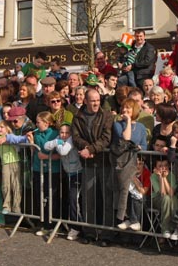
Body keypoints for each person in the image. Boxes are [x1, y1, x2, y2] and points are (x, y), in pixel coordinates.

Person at [72, 88, 114, 246]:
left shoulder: (107, 115)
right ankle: (89, 232)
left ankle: (107, 234)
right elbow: (75, 137)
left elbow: (106, 137)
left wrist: (91, 149)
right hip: (88, 163)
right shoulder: (78, 116)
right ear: (86, 101)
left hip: (104, 162)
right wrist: (85, 148)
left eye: (97, 100)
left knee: (106, 199)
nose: (96, 103)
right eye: (92, 100)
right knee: (88, 199)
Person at [44, 123, 83, 241]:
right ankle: (71, 225)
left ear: (70, 133)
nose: (64, 135)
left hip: (77, 172)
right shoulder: (59, 139)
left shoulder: (71, 140)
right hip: (67, 173)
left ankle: (76, 227)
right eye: (62, 132)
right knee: (69, 199)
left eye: (66, 133)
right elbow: (46, 146)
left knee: (73, 199)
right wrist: (57, 142)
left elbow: (63, 151)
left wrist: (57, 144)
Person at [113, 99, 147, 230]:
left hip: (136, 164)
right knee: (125, 190)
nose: (125, 111)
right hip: (123, 163)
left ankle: (134, 219)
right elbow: (126, 139)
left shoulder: (141, 127)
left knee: (135, 192)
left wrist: (139, 147)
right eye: (124, 108)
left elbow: (144, 145)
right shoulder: (117, 124)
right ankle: (125, 217)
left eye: (129, 108)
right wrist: (127, 121)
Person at [150, 158, 178, 238]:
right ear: (156, 167)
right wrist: (160, 177)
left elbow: (171, 193)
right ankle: (165, 229)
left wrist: (165, 178)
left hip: (169, 199)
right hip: (156, 199)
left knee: (173, 199)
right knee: (166, 198)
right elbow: (162, 193)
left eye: (165, 165)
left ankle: (175, 227)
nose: (163, 168)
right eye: (160, 166)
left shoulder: (171, 175)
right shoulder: (153, 176)